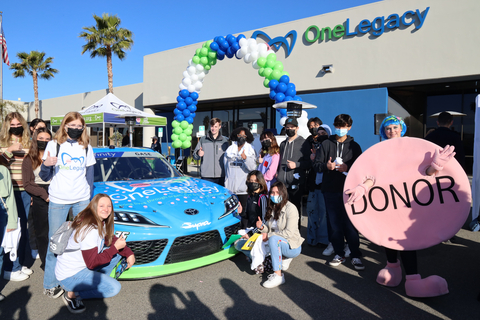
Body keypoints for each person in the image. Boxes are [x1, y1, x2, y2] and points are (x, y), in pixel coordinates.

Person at [345, 115, 454, 297]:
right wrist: (364, 187)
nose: (392, 131)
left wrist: (435, 167)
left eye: (395, 127)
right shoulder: (379, 151)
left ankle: (413, 279)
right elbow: (373, 175)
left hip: (408, 203)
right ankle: (392, 268)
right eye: (388, 128)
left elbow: (422, 173)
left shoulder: (412, 147)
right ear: (383, 131)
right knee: (389, 236)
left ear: (401, 129)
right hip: (387, 202)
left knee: (406, 241)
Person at [40, 111, 96, 299]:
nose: (75, 129)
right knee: (55, 243)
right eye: (72, 126)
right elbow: (44, 176)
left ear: (83, 128)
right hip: (58, 200)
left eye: (79, 127)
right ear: (64, 126)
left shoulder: (86, 147)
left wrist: (88, 199)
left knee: (81, 241)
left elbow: (90, 176)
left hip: (81, 200)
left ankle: (75, 281)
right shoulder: (54, 145)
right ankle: (49, 283)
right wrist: (46, 164)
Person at [55, 194, 135, 313]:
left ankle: (96, 282)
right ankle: (72, 294)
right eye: (101, 205)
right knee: (114, 288)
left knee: (117, 254)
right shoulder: (90, 230)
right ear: (94, 206)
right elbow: (92, 263)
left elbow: (110, 238)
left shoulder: (96, 220)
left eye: (109, 206)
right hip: (70, 276)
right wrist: (115, 248)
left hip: (79, 267)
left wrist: (128, 253)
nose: (106, 209)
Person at [313, 114, 364, 270]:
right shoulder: (326, 144)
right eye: (338, 126)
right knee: (334, 224)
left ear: (349, 127)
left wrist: (348, 168)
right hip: (330, 190)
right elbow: (316, 165)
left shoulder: (354, 146)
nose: (340, 129)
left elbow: (361, 167)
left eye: (344, 126)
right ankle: (339, 253)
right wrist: (326, 167)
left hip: (349, 191)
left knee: (351, 225)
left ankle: (355, 254)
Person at [0, 112, 33, 281]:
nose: (15, 127)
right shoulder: (2, 143)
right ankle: (9, 268)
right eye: (12, 125)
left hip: (25, 191)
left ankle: (18, 263)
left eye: (17, 124)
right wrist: (10, 151)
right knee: (10, 230)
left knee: (23, 231)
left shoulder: (28, 142)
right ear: (7, 126)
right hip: (7, 194)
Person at [257, 181, 304, 288]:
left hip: (292, 246)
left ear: (283, 193)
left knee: (273, 239)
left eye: (277, 192)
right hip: (279, 242)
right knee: (252, 241)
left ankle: (278, 276)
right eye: (272, 193)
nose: (274, 195)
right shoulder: (271, 207)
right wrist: (261, 227)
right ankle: (283, 258)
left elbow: (288, 233)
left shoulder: (291, 208)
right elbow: (268, 229)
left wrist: (268, 236)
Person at [22, 127, 52, 270]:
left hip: (57, 194)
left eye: (47, 139)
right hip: (40, 197)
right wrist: (43, 195)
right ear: (35, 139)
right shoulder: (29, 159)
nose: (44, 142)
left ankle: (59, 262)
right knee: (42, 233)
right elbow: (27, 183)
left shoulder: (55, 156)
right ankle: (47, 264)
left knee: (57, 232)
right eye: (41, 139)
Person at [276, 117, 311, 228]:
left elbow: (309, 163)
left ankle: (295, 236)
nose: (290, 129)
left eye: (292, 127)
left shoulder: (304, 143)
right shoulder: (282, 144)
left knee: (295, 210)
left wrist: (296, 165)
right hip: (282, 183)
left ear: (297, 128)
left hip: (296, 183)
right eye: (287, 127)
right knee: (282, 210)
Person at [223, 127, 257, 223]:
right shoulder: (229, 149)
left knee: (243, 213)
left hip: (243, 189)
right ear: (236, 136)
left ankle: (243, 232)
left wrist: (246, 158)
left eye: (244, 136)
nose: (241, 137)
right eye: (239, 135)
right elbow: (226, 167)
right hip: (230, 189)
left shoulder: (250, 149)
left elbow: (252, 168)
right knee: (230, 212)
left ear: (247, 137)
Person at [306, 125, 331, 247]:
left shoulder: (331, 147)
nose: (321, 135)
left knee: (324, 214)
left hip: (324, 186)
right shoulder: (314, 147)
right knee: (311, 212)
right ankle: (311, 238)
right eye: (319, 133)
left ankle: (323, 239)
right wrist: (313, 159)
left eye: (323, 133)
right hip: (313, 186)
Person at [0, 164, 20, 301]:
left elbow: (10, 198)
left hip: (2, 211)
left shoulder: (3, 170)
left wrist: (12, 221)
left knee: (0, 253)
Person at [192, 118, 229, 186]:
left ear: (219, 127)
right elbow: (194, 156)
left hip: (221, 176)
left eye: (216, 126)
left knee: (220, 196)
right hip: (206, 176)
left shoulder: (225, 141)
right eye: (212, 126)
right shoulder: (203, 140)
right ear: (210, 126)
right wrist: (198, 153)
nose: (213, 128)